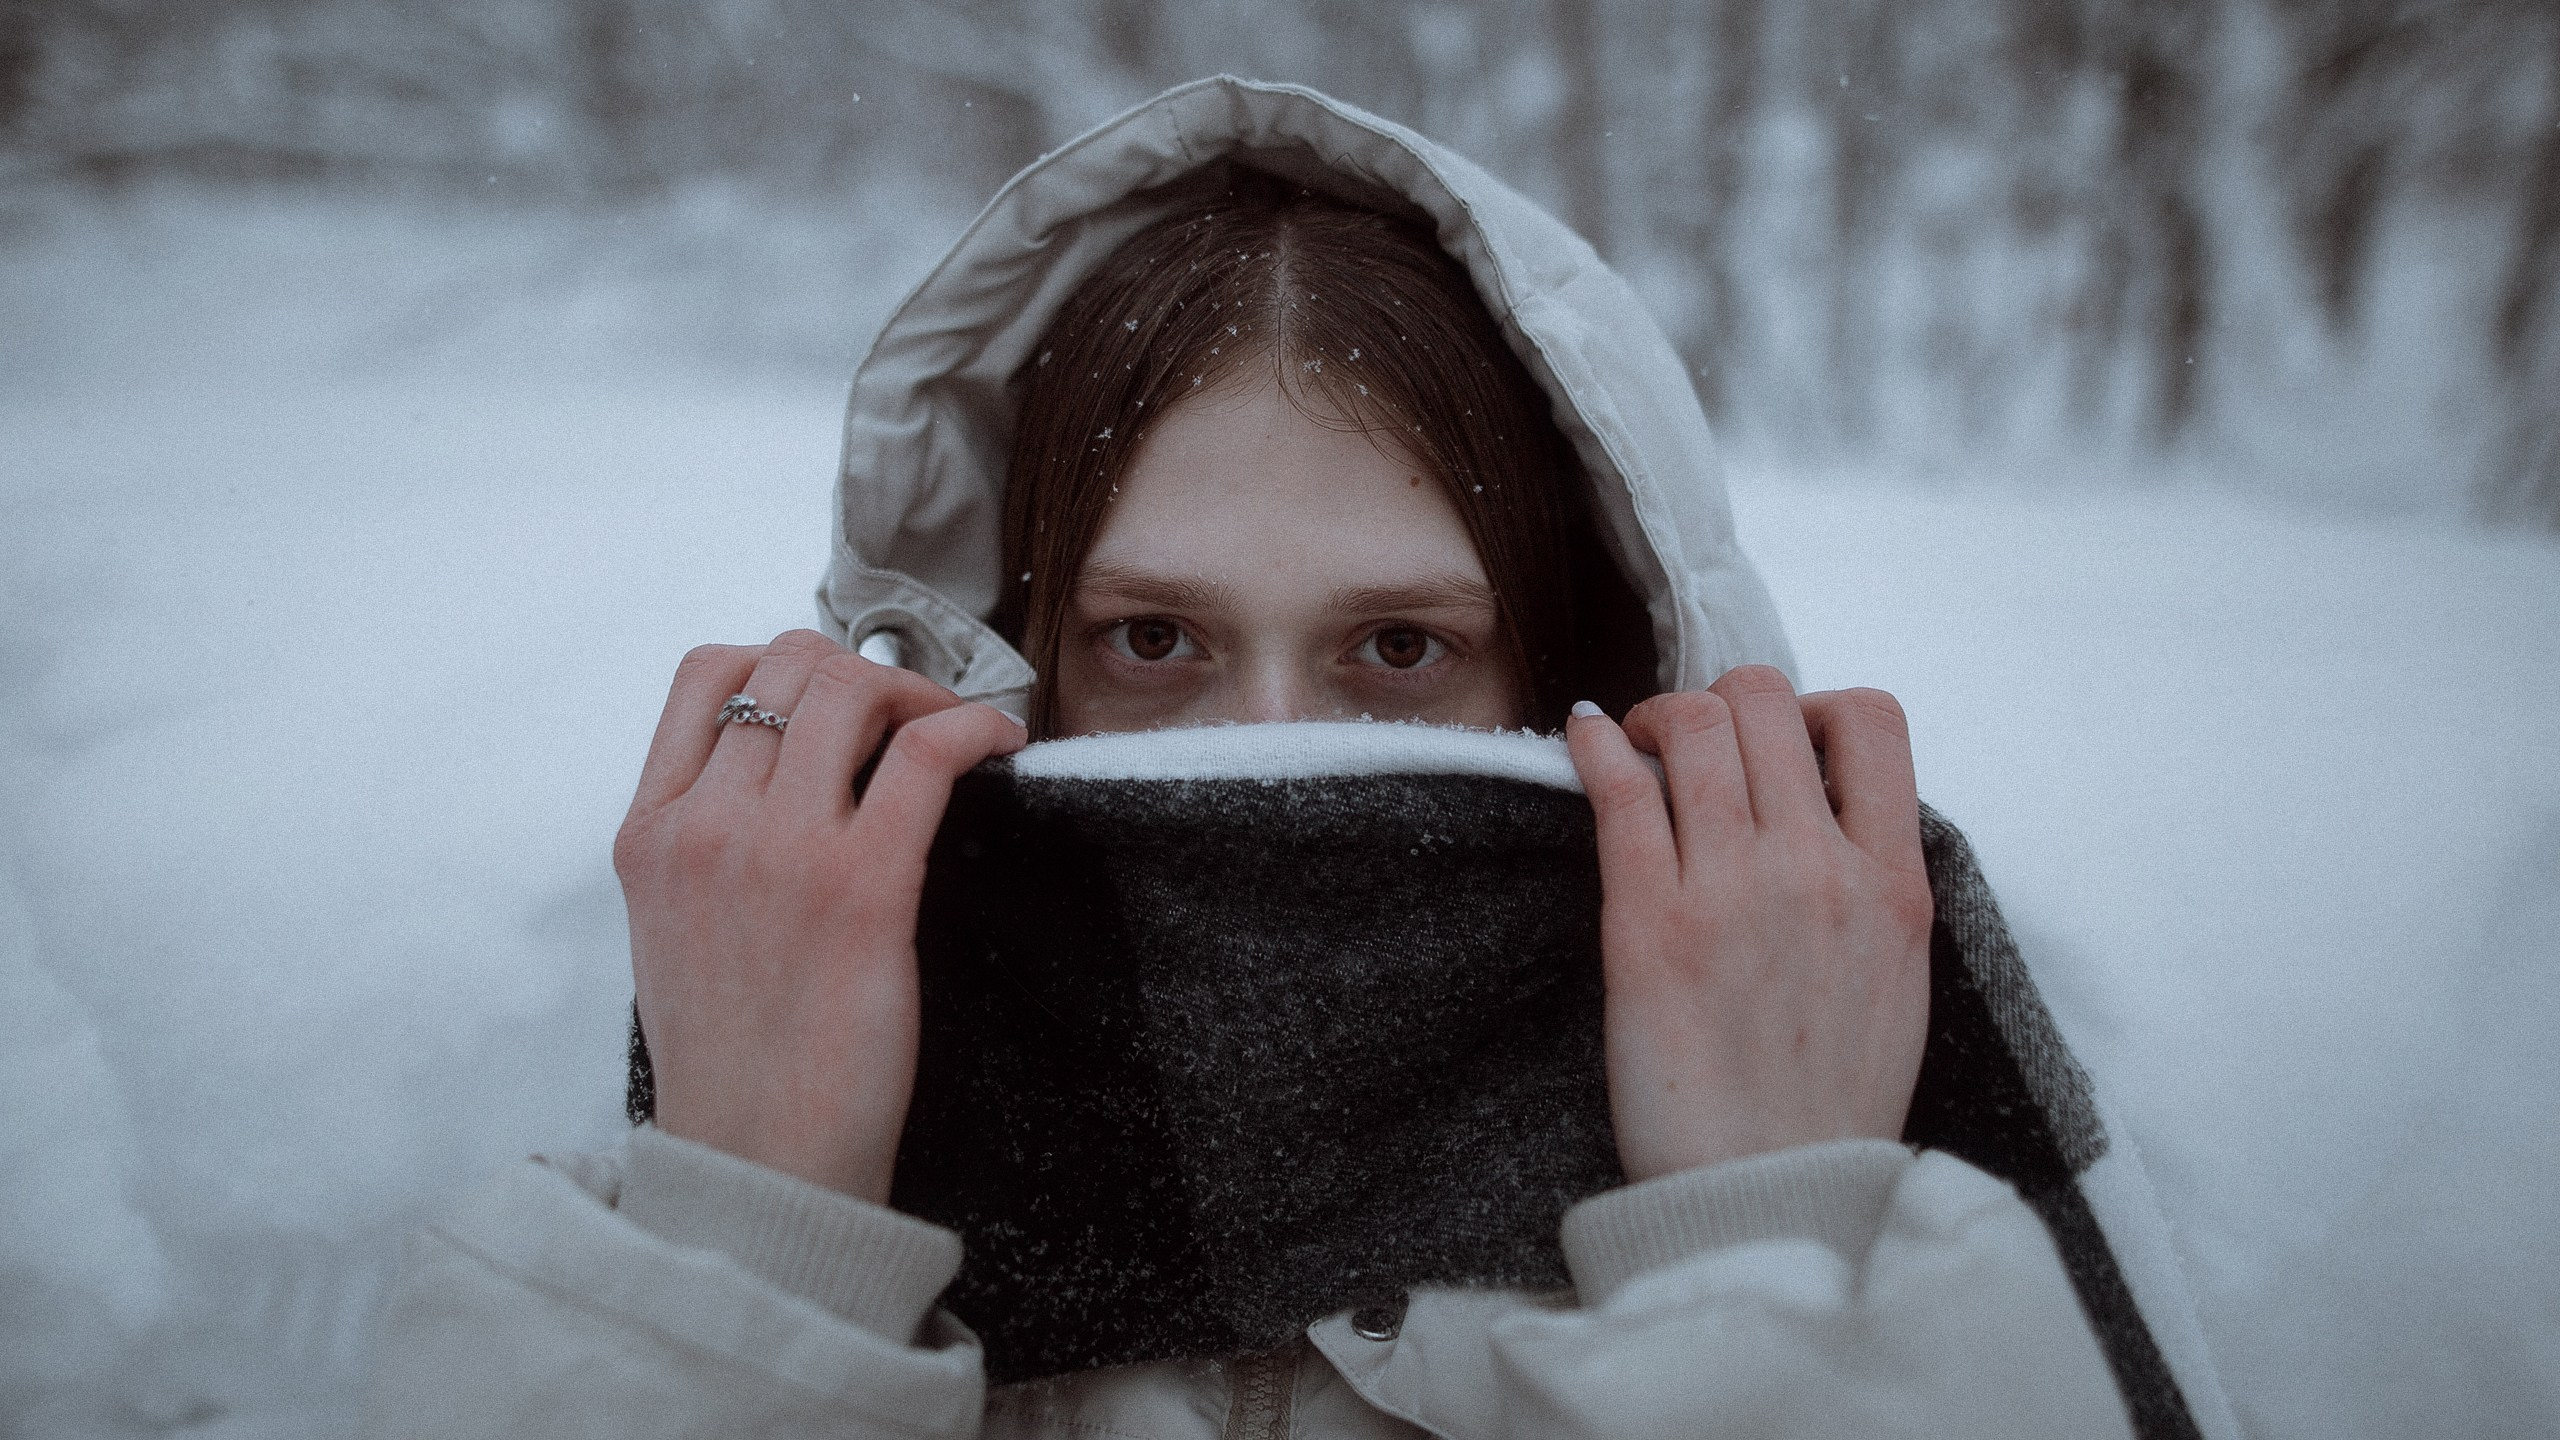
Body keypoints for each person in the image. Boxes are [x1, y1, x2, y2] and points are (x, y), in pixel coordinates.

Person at [359, 79, 2153, 1438]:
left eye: (1400, 649)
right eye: (1155, 641)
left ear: (1576, 668)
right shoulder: (802, 1020)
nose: (1271, 759)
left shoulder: (1828, 1034)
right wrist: (753, 1229)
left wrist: (1765, 1235)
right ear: (1019, 651)